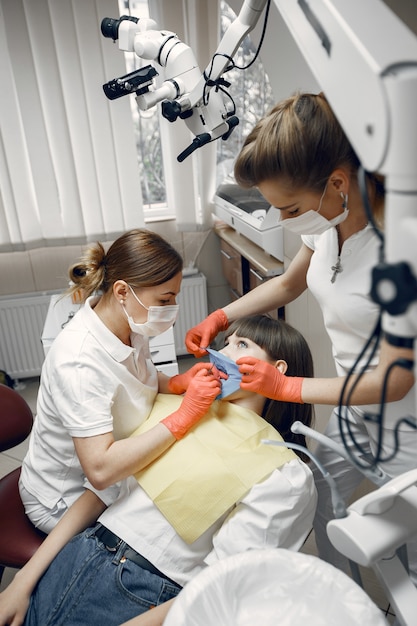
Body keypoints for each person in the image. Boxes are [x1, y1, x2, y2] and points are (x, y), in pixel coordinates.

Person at [185, 92, 416, 577]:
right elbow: (290, 283)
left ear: (337, 183)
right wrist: (221, 318)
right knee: (322, 502)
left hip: (408, 426)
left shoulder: (401, 249)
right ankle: (341, 594)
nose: (287, 223)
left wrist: (285, 387)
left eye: (290, 209)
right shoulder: (329, 219)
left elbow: (396, 381)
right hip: (353, 407)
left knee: (407, 544)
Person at [0, 315, 317, 626]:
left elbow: (223, 582)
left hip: (143, 595)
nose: (222, 353)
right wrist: (22, 582)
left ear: (277, 371)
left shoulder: (283, 473)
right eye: (225, 342)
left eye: (242, 343)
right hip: (77, 554)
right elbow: (99, 493)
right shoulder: (177, 410)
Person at [19, 228, 217, 533]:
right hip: (63, 501)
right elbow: (100, 470)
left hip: (103, 479)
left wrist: (177, 383)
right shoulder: (79, 361)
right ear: (123, 291)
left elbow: (135, 379)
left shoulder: (130, 324)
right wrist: (183, 416)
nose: (172, 312)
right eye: (165, 299)